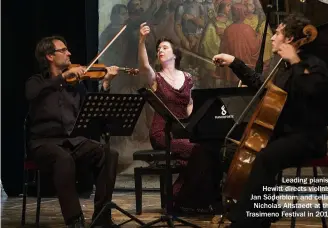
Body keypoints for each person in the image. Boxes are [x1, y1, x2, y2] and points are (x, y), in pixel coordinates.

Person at [213, 13, 328, 227]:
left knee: (265, 158)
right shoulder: (283, 69)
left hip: (308, 138)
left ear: (290, 39)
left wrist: (295, 61)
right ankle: (260, 215)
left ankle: (245, 222)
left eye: (277, 32)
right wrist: (235, 63)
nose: (273, 37)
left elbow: (311, 92)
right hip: (287, 135)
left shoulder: (313, 65)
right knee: (230, 151)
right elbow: (262, 87)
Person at [25, 36, 119, 228]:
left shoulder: (76, 85)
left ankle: (102, 217)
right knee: (63, 159)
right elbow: (30, 94)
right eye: (64, 50)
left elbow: (94, 112)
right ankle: (74, 220)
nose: (69, 53)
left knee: (109, 153)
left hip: (74, 142)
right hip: (44, 143)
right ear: (50, 56)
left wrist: (106, 84)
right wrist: (62, 78)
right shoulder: (36, 82)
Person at [138, 22, 223, 214]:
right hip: (163, 133)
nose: (160, 50)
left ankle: (190, 201)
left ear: (175, 54)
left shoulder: (187, 77)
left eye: (165, 48)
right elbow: (144, 65)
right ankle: (177, 198)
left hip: (182, 131)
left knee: (203, 154)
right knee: (199, 152)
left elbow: (190, 107)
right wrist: (142, 40)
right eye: (159, 48)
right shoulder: (156, 78)